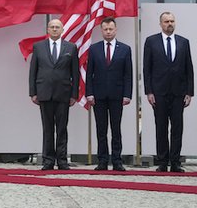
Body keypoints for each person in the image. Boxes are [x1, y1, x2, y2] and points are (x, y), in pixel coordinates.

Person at [143, 11, 194, 173]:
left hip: (179, 93)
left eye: (172, 21)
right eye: (166, 21)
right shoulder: (151, 42)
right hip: (159, 93)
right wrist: (149, 91)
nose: (169, 24)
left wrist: (189, 92)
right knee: (161, 127)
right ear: (160, 24)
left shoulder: (183, 42)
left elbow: (189, 68)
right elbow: (147, 69)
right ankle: (163, 162)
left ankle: (175, 162)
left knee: (177, 128)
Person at [28, 18, 79, 170]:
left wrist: (74, 94)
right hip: (44, 93)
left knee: (62, 128)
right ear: (48, 30)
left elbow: (75, 73)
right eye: (52, 27)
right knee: (47, 128)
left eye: (57, 27)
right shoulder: (38, 47)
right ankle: (48, 160)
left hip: (64, 94)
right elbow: (33, 71)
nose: (55, 29)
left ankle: (62, 160)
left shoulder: (71, 47)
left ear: (62, 30)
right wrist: (33, 92)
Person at [85, 17, 132, 171]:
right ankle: (102, 160)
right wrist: (89, 93)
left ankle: (117, 160)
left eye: (111, 29)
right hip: (98, 96)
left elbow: (128, 74)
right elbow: (89, 73)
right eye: (105, 29)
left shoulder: (125, 49)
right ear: (101, 30)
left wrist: (127, 94)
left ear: (115, 29)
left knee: (116, 129)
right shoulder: (94, 49)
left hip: (117, 95)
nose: (108, 32)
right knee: (101, 129)